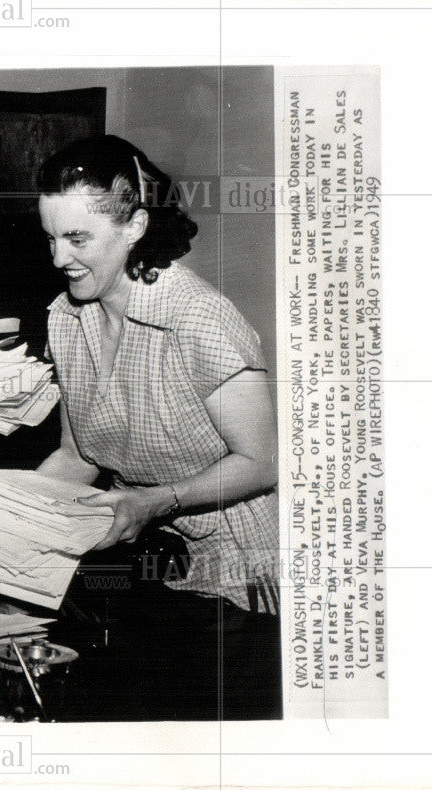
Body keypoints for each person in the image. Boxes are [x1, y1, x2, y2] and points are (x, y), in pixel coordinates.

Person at [36, 135, 279, 614]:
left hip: (239, 570)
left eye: (77, 239)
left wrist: (156, 500)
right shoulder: (65, 319)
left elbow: (262, 462)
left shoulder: (200, 318)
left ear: (135, 227)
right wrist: (4, 515)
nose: (59, 259)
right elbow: (77, 456)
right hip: (148, 563)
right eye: (51, 238)